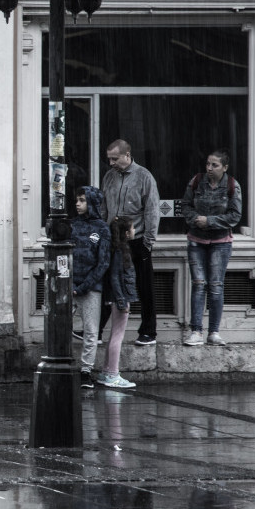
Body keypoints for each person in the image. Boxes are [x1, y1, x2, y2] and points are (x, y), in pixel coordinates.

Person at [100, 139, 160, 346]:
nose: (111, 163)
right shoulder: (109, 176)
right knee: (109, 283)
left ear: (127, 155)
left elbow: (152, 210)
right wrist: (103, 233)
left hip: (137, 240)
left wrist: (148, 242)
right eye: (109, 159)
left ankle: (149, 332)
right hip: (113, 239)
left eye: (115, 159)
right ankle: (96, 330)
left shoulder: (144, 177)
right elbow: (104, 208)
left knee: (144, 286)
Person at [180, 149, 242, 346]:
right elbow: (185, 205)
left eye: (214, 165)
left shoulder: (232, 185)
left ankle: (214, 332)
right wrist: (195, 219)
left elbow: (235, 215)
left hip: (220, 242)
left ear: (225, 167)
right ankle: (196, 331)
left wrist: (210, 221)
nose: (209, 168)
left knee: (215, 286)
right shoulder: (196, 181)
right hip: (196, 240)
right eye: (208, 164)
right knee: (199, 284)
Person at [71, 187, 111, 390]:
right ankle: (65, 365)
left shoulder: (102, 229)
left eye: (82, 200)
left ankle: (86, 371)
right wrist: (70, 284)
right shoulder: (72, 226)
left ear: (92, 203)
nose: (77, 204)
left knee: (91, 330)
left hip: (91, 287)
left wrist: (84, 286)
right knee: (60, 327)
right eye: (77, 200)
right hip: (69, 285)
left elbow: (103, 262)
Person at [98, 216, 138, 389]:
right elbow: (115, 277)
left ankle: (107, 372)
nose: (135, 230)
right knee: (117, 336)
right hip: (121, 297)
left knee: (114, 335)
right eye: (133, 228)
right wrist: (122, 300)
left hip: (118, 296)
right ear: (126, 233)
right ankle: (113, 374)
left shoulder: (118, 250)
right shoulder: (120, 252)